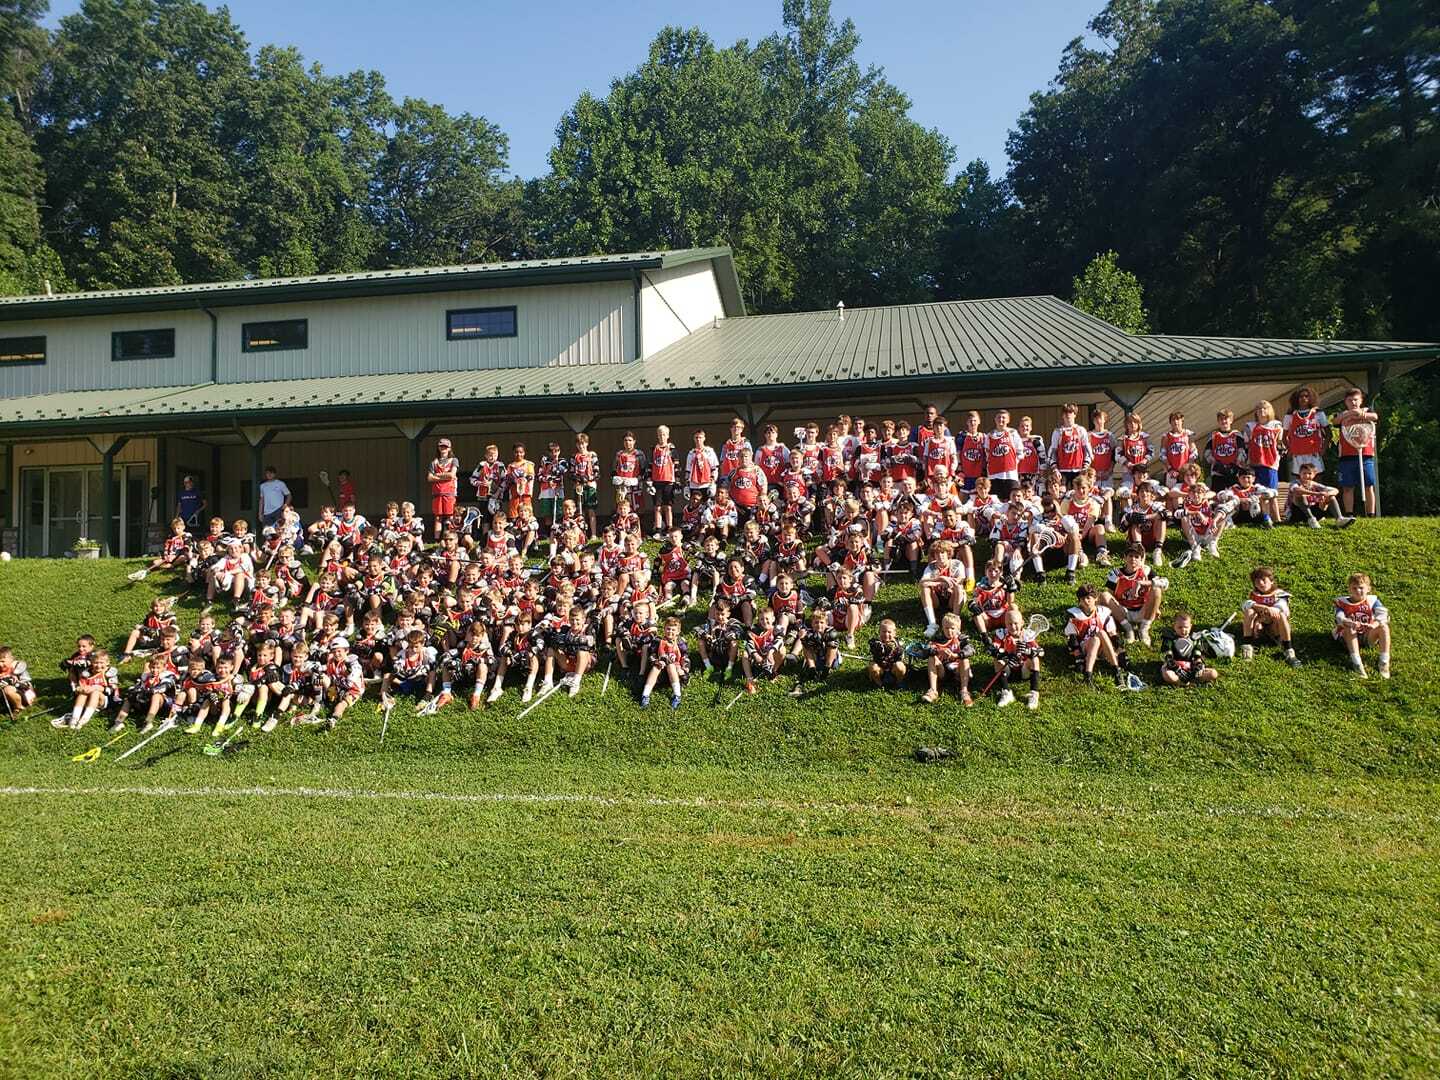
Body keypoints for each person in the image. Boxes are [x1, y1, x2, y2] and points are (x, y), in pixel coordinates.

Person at [1064, 584, 1128, 687]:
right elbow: (1073, 639)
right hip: (1085, 647)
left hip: (1103, 648)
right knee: (1098, 637)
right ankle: (1114, 671)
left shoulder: (1104, 612)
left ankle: (1090, 675)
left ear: (1096, 598)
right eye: (1083, 598)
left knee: (1100, 635)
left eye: (1088, 598)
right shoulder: (1074, 614)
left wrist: (1121, 650)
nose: (1086, 601)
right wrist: (1078, 658)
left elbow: (1113, 634)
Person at [1334, 572, 1391, 679]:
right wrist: (1349, 622)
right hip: (1348, 638)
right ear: (1349, 589)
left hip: (1367, 634)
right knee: (1349, 629)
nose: (1357, 591)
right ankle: (1357, 663)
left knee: (1384, 627)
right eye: (1354, 588)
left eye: (1361, 588)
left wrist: (1374, 624)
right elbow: (1339, 617)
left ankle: (1384, 661)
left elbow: (1383, 614)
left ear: (1368, 589)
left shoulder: (1372, 601)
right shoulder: (1342, 602)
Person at [1241, 565, 1301, 667]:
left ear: (1271, 581)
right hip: (1258, 629)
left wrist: (1270, 611)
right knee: (1249, 612)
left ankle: (1288, 650)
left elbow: (1282, 606)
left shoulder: (1279, 594)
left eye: (1263, 580)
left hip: (1275, 630)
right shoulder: (1254, 595)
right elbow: (1245, 605)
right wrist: (1261, 608)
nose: (1260, 583)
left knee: (1280, 615)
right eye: (1257, 581)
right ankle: (1247, 645)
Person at [1333, 387, 1379, 517]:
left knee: (1368, 485)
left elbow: (1375, 417)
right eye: (1350, 400)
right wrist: (1348, 414)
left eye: (1355, 399)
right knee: (1347, 486)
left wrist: (1361, 414)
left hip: (1365, 454)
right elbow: (1335, 421)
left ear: (1361, 400)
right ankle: (1349, 513)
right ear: (1345, 402)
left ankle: (1371, 514)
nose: (1353, 402)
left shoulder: (1367, 411)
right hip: (1346, 456)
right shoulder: (1342, 414)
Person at [920, 613, 973, 705]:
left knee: (965, 659)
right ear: (942, 628)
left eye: (952, 628)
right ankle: (933, 690)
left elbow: (971, 650)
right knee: (931, 658)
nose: (949, 631)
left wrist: (956, 656)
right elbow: (925, 651)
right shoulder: (937, 639)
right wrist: (938, 651)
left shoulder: (962, 639)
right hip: (942, 671)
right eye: (946, 628)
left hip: (957, 671)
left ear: (958, 629)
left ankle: (964, 691)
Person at [640, 617, 689, 709]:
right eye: (668, 629)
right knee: (656, 667)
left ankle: (677, 695)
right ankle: (645, 695)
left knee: (670, 664)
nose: (670, 631)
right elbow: (652, 654)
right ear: (664, 629)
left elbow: (685, 657)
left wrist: (684, 670)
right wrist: (656, 661)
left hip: (675, 672)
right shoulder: (658, 641)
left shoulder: (681, 643)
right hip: (660, 672)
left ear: (678, 631)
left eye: (673, 630)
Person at [1159, 612, 1219, 687]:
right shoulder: (1170, 639)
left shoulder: (1195, 639)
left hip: (1191, 668)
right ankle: (1185, 683)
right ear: (1174, 626)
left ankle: (1191, 679)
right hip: (1174, 668)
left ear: (1190, 627)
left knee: (1213, 673)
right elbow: (1167, 656)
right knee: (1168, 675)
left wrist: (1198, 666)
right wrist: (1175, 667)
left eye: (1186, 627)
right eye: (1180, 627)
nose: (1183, 630)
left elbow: (1197, 656)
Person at [1287, 462, 1354, 528]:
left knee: (1331, 497)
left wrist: (1326, 494)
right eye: (1304, 473)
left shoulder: (1315, 484)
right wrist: (1317, 494)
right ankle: (1311, 519)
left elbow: (1335, 490)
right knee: (1300, 496)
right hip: (1297, 514)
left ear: (1314, 475)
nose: (1307, 476)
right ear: (1299, 474)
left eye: (1309, 473)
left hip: (1314, 511)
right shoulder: (1295, 483)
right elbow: (1297, 490)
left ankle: (1339, 519)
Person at [427, 438, 460, 540]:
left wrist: (437, 475)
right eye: (441, 446)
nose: (443, 449)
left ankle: (450, 538)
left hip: (449, 493)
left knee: (450, 517)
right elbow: (429, 477)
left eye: (445, 447)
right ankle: (437, 540)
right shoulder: (434, 462)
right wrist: (444, 476)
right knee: (438, 517)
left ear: (449, 448)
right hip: (437, 493)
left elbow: (452, 475)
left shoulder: (454, 460)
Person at [867, 619, 908, 689]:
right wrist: (880, 648)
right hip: (880, 668)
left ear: (894, 633)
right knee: (873, 667)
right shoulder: (875, 642)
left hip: (893, 669)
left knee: (900, 667)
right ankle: (879, 684)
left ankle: (899, 682)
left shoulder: (898, 643)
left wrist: (896, 649)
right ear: (879, 632)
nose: (886, 634)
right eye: (883, 632)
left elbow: (900, 656)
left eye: (889, 632)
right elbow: (874, 652)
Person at [0, 646, 36, 717]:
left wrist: (14, 682)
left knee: (8, 690)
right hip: (5, 697)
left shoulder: (17, 668)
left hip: (23, 694)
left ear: (11, 659)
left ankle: (18, 707)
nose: (0, 664)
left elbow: (27, 684)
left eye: (3, 661)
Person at [257, 465, 291, 529]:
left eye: (271, 473)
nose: (269, 474)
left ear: (275, 474)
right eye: (267, 473)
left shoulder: (280, 484)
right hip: (267, 512)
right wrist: (260, 514)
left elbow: (289, 495)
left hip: (278, 511)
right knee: (267, 533)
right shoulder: (262, 486)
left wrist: (285, 505)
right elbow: (262, 500)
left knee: (279, 530)